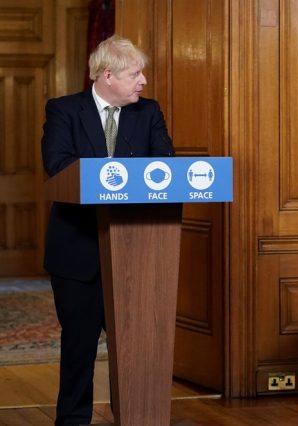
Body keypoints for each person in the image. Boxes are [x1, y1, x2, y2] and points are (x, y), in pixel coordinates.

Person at [41, 35, 174, 425]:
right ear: (108, 75)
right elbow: (58, 165)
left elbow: (165, 165)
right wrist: (113, 178)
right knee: (79, 346)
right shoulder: (64, 110)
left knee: (136, 350)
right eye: (135, 73)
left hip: (139, 253)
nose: (143, 81)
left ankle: (136, 416)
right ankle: (73, 420)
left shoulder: (148, 113)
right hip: (78, 251)